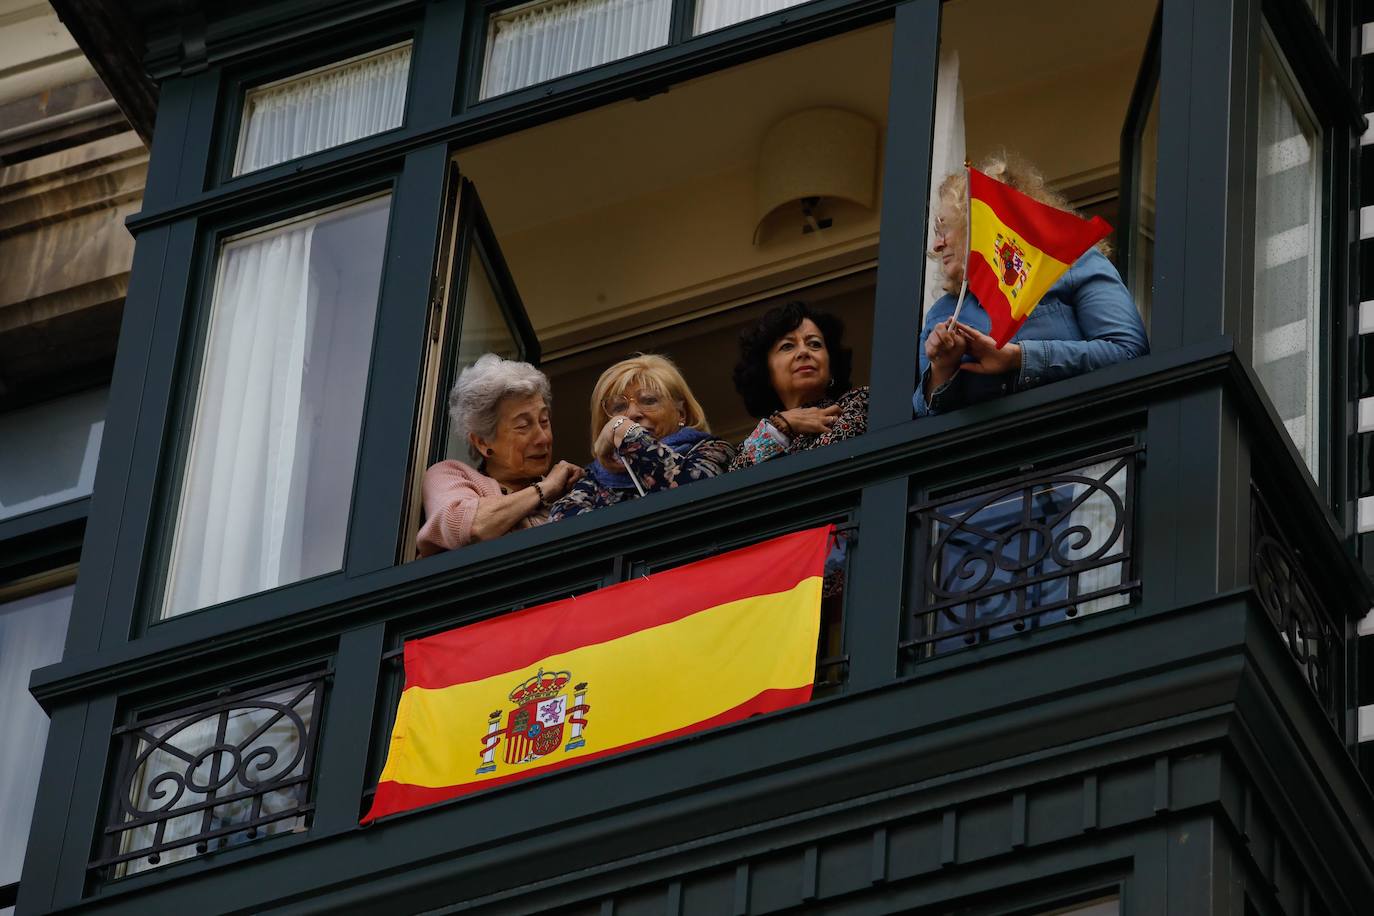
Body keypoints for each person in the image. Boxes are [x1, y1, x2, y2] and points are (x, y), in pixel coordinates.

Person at [915, 152, 1149, 418]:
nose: (936, 245)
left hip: (1085, 443)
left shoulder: (1072, 263)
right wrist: (943, 368)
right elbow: (924, 418)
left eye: (944, 228)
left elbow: (1129, 351)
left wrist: (1020, 357)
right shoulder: (942, 314)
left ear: (978, 222)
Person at [417, 354, 583, 556]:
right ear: (483, 442)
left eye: (544, 421)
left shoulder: (567, 494)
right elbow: (470, 526)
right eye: (523, 426)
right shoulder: (450, 475)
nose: (543, 438)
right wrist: (545, 488)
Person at [549, 354, 735, 519]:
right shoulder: (592, 479)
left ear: (681, 413)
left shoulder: (714, 449)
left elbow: (690, 492)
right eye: (619, 408)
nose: (632, 414)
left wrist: (625, 431)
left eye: (649, 400)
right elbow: (563, 523)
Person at [728, 301, 869, 471]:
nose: (803, 352)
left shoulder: (858, 403)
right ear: (766, 373)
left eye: (815, 344)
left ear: (831, 368)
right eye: (787, 346)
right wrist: (782, 425)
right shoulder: (763, 437)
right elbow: (734, 479)